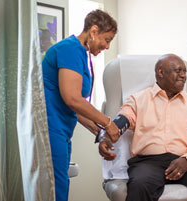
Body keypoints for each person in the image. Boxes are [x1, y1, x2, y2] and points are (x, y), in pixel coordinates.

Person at [99, 54, 187, 201]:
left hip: (185, 161)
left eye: (184, 72)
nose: (183, 76)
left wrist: (186, 160)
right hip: (148, 163)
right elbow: (122, 120)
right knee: (140, 185)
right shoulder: (138, 100)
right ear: (160, 72)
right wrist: (106, 137)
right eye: (178, 71)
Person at [42, 9, 120, 201]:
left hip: (61, 129)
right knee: (56, 188)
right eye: (107, 39)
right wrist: (108, 123)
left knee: (60, 184)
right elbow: (72, 99)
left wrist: (100, 133)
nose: (108, 46)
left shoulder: (81, 54)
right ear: (93, 31)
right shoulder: (70, 49)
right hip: (50, 127)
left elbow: (74, 108)